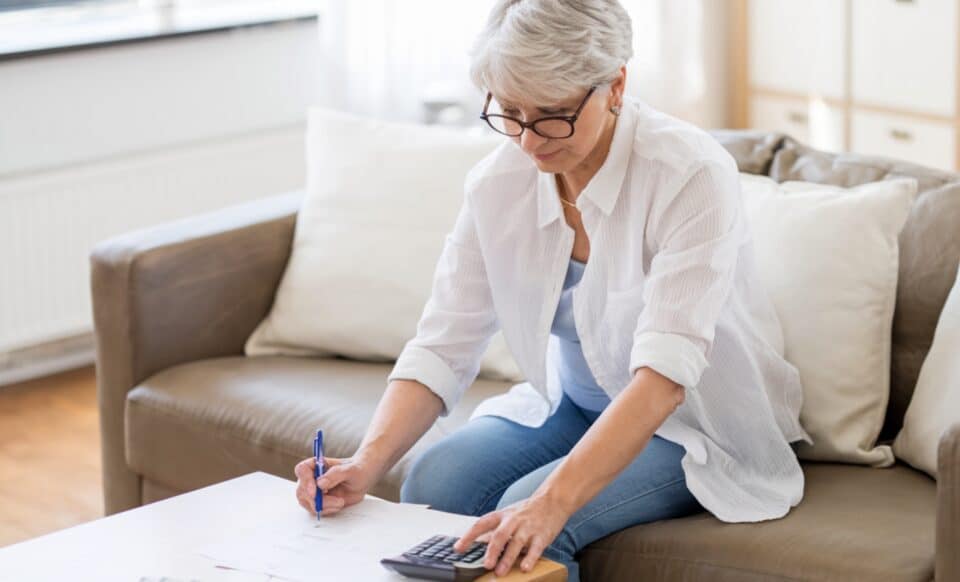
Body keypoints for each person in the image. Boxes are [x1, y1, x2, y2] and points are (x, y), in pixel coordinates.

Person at [294, 1, 814, 580]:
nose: (529, 141)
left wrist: (550, 503)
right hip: (574, 405)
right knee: (435, 480)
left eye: (553, 115)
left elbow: (665, 379)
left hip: (692, 424)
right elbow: (444, 342)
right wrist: (366, 463)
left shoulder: (688, 173)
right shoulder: (499, 182)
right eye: (509, 112)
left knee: (529, 523)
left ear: (615, 85)